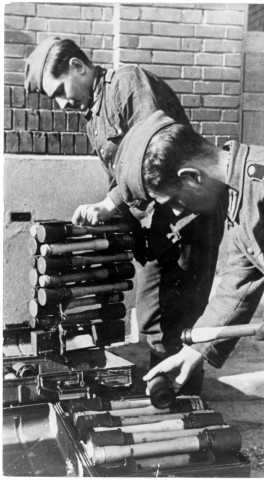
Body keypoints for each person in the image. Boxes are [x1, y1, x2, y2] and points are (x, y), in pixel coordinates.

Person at [113, 110, 264, 478]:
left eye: (171, 201)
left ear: (190, 177)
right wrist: (193, 351)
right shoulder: (237, 198)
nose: (174, 212)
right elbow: (235, 285)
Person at [24, 38, 227, 393]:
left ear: (78, 66)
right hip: (157, 227)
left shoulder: (128, 83)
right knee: (151, 319)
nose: (61, 103)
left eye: (59, 91)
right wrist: (114, 219)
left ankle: (185, 405)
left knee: (183, 318)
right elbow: (119, 178)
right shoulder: (94, 117)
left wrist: (109, 204)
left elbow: (154, 152)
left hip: (188, 214)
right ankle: (164, 393)